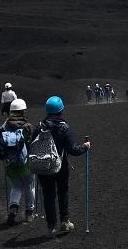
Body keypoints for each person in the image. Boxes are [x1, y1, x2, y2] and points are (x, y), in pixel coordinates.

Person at [35, 95, 91, 237]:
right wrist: (85, 147)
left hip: (43, 167)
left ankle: (51, 227)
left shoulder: (39, 127)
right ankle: (65, 222)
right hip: (60, 167)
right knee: (62, 192)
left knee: (48, 196)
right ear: (61, 110)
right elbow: (73, 150)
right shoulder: (64, 127)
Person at [0, 98, 36, 225]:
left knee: (16, 187)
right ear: (23, 111)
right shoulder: (27, 127)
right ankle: (29, 213)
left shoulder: (3, 127)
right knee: (29, 186)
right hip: (26, 164)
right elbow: (32, 145)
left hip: (10, 164)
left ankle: (13, 210)